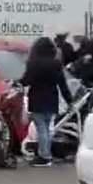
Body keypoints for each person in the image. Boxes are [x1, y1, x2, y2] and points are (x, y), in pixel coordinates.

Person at [21, 37, 73, 167]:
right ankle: (46, 154)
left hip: (37, 98)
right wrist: (69, 100)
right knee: (48, 128)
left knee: (41, 129)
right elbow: (63, 84)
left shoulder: (33, 63)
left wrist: (18, 82)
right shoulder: (56, 64)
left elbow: (26, 80)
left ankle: (44, 156)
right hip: (52, 98)